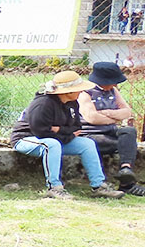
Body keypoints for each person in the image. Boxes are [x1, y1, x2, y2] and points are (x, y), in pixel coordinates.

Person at [9, 70, 125, 199]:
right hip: (26, 139)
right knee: (51, 144)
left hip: (57, 139)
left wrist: (59, 130)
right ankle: (54, 187)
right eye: (78, 89)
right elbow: (41, 131)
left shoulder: (72, 103)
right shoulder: (43, 103)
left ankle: (99, 186)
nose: (81, 92)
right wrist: (65, 133)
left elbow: (76, 127)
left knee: (87, 144)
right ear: (68, 91)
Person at [77, 61, 143, 196]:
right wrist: (116, 117)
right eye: (112, 82)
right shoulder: (85, 93)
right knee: (125, 145)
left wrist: (107, 113)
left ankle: (126, 170)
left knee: (129, 132)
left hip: (110, 130)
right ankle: (127, 186)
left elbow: (127, 112)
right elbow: (92, 118)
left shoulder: (113, 90)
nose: (114, 84)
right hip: (91, 133)